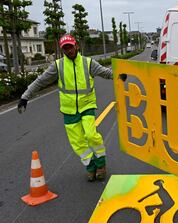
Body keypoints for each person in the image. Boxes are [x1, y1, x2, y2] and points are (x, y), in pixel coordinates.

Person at [17, 34, 127, 182]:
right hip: (69, 110)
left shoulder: (88, 63)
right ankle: (91, 167)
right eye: (65, 48)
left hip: (87, 106)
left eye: (70, 46)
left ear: (76, 45)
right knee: (78, 143)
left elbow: (105, 73)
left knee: (91, 135)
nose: (69, 50)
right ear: (63, 50)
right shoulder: (58, 66)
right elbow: (41, 81)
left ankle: (101, 165)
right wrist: (25, 96)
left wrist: (119, 75)